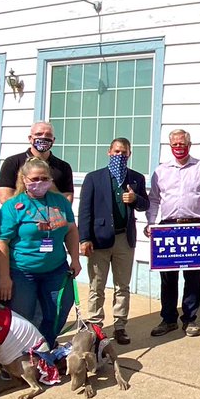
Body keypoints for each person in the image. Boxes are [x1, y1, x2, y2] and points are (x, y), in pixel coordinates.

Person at [0, 158, 82, 348]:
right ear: (24, 179)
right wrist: (4, 277)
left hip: (56, 269)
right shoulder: (13, 206)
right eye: (34, 178)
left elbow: (72, 230)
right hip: (22, 271)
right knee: (22, 318)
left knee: (57, 311)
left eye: (44, 178)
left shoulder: (60, 202)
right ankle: (17, 358)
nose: (39, 182)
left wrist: (75, 259)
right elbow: (1, 241)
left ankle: (45, 350)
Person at [146, 129, 200, 338]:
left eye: (183, 144)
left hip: (196, 226)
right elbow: (154, 200)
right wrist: (151, 223)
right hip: (167, 227)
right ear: (170, 146)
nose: (179, 148)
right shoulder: (160, 171)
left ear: (190, 145)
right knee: (168, 278)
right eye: (175, 145)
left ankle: (190, 319)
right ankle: (168, 319)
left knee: (192, 277)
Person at [77, 138, 149, 345]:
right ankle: (96, 326)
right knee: (96, 286)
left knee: (122, 286)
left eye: (124, 153)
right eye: (116, 152)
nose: (120, 156)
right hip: (99, 240)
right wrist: (84, 238)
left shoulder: (135, 178)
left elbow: (145, 204)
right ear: (109, 152)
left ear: (129, 154)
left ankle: (120, 326)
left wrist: (135, 199)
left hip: (124, 239)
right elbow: (85, 211)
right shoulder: (94, 178)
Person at [0, 121, 74, 203]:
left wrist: (50, 185)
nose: (43, 137)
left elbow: (67, 199)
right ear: (30, 138)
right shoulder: (12, 162)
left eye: (48, 135)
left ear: (53, 140)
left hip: (52, 214)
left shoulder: (63, 167)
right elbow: (4, 197)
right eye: (39, 134)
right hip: (20, 214)